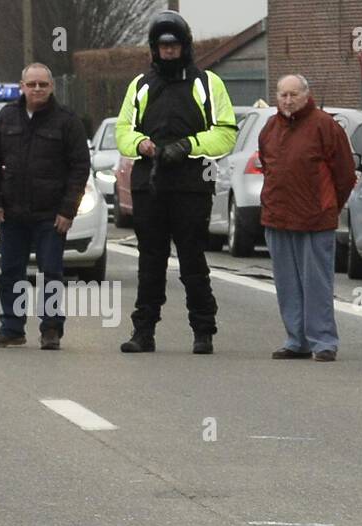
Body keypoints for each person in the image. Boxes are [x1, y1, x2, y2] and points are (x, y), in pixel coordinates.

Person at [115, 10, 237, 355]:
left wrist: (188, 146)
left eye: (174, 45)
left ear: (185, 47)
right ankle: (144, 331)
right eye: (163, 46)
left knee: (192, 259)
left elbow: (226, 133)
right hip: (149, 183)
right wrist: (140, 144)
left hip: (190, 185)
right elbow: (123, 129)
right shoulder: (139, 85)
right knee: (149, 260)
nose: (169, 51)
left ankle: (203, 330)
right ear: (155, 49)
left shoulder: (207, 83)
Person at [0, 63, 90, 350]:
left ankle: (51, 328)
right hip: (12, 213)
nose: (37, 89)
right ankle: (12, 328)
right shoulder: (7, 117)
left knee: (51, 272)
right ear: (22, 86)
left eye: (43, 84)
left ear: (51, 87)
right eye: (32, 84)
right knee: (11, 272)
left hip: (50, 215)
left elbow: (80, 168)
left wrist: (68, 210)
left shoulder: (67, 121)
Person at [260, 74, 355, 362]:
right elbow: (267, 165)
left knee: (317, 284)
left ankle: (323, 340)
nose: (288, 100)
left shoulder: (325, 125)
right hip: (278, 216)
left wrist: (329, 205)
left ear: (306, 95)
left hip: (315, 219)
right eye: (283, 95)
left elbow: (345, 174)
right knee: (287, 283)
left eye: (294, 95)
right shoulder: (270, 128)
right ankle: (296, 339)